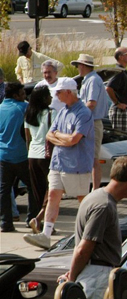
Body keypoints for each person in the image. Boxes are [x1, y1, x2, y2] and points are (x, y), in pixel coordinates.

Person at [59, 157, 127, 299]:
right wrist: (72, 278)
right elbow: (83, 249)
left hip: (93, 271)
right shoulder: (104, 206)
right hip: (97, 276)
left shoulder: (95, 196)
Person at [24, 78, 94, 250]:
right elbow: (49, 135)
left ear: (69, 92)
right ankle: (45, 235)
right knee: (53, 195)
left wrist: (59, 136)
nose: (56, 95)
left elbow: (73, 140)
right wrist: (63, 138)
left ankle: (91, 234)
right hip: (57, 163)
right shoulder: (62, 111)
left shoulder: (83, 113)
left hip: (76, 165)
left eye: (59, 92)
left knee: (83, 200)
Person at [73, 54, 110, 192]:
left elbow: (91, 103)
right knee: (87, 157)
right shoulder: (89, 79)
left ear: (83, 66)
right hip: (89, 121)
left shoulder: (93, 80)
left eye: (78, 65)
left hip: (92, 122)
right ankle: (87, 187)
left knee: (93, 158)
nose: (77, 68)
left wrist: (77, 115)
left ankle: (95, 189)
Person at [1, 83, 29, 233]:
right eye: (23, 93)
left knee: (4, 190)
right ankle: (32, 220)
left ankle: (6, 223)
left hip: (3, 156)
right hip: (21, 155)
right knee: (33, 187)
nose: (25, 96)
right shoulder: (23, 108)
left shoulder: (0, 108)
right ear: (16, 95)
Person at [23, 87, 52, 234]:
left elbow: (27, 137)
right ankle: (43, 220)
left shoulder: (29, 114)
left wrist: (29, 153)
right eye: (49, 95)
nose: (51, 98)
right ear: (44, 98)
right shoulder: (50, 113)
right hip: (46, 155)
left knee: (38, 191)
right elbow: (53, 134)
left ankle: (40, 221)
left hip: (32, 154)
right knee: (51, 190)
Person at [106, 47, 127, 133]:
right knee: (121, 137)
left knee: (126, 137)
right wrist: (117, 103)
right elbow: (108, 88)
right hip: (120, 111)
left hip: (125, 111)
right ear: (121, 57)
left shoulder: (123, 72)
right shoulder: (118, 72)